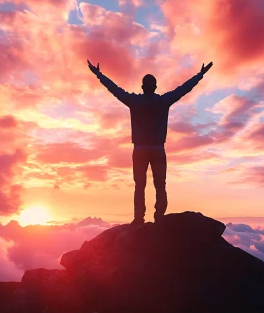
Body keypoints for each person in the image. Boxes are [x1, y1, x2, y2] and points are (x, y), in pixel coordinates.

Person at [88, 59, 213, 225]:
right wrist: (200, 75)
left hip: (139, 149)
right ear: (155, 87)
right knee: (160, 185)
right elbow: (183, 89)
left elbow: (114, 89)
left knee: (139, 185)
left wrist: (99, 75)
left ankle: (139, 218)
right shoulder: (163, 101)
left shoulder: (134, 101)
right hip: (158, 149)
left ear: (142, 87)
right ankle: (159, 217)